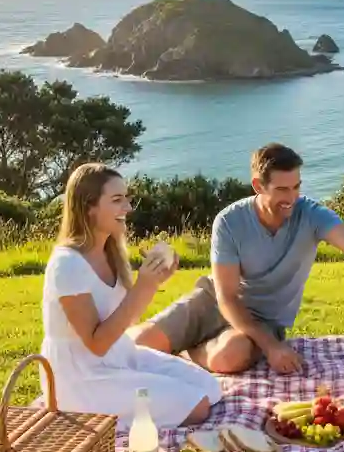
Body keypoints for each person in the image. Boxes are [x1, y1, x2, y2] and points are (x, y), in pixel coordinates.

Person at [132, 143, 344, 374]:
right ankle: (181, 340)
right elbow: (227, 297)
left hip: (263, 320)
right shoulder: (230, 221)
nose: (292, 197)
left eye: (296, 187)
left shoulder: (310, 214)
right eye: (282, 189)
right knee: (137, 345)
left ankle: (188, 350)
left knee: (227, 358)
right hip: (211, 301)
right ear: (258, 185)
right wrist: (271, 350)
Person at [40, 163, 222, 427]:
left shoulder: (110, 251)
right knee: (197, 406)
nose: (128, 208)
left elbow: (127, 318)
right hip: (83, 377)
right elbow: (97, 344)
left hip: (121, 355)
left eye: (127, 199)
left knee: (209, 386)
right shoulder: (67, 264)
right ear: (89, 207)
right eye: (117, 200)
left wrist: (154, 281)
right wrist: (143, 286)